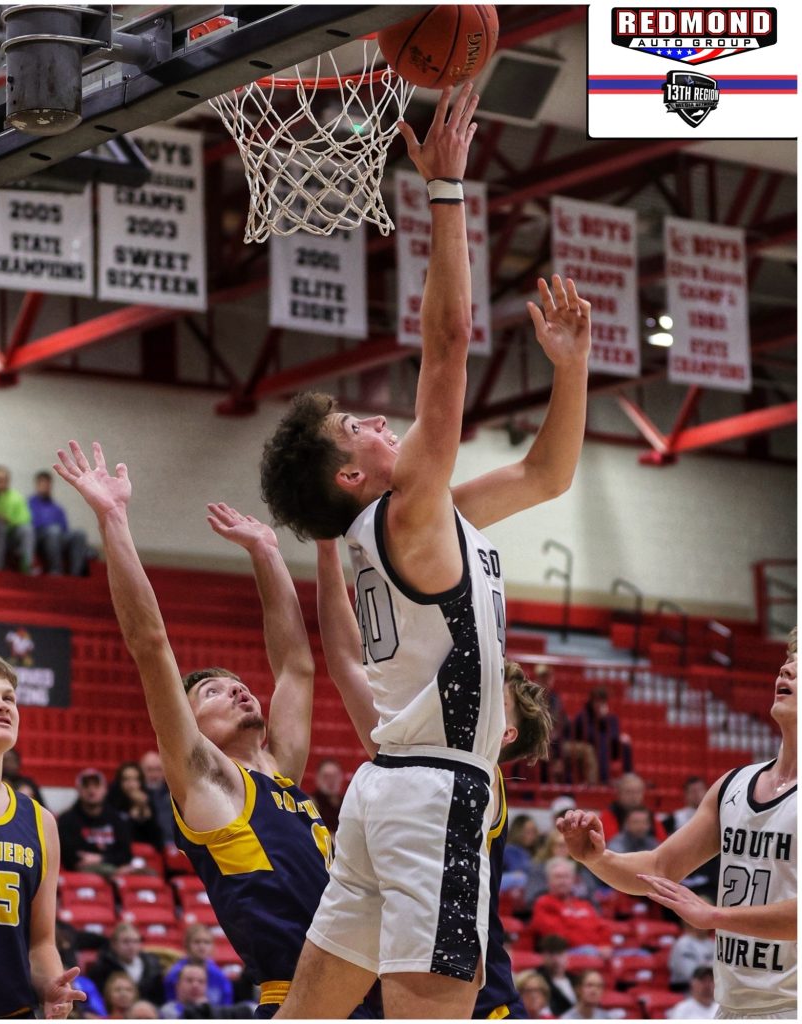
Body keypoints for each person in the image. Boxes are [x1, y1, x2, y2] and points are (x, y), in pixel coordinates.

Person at [261, 80, 591, 1019]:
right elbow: (446, 346)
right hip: (435, 792)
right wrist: (445, 190)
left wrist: (569, 372)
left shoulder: (415, 521)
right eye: (357, 428)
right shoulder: (405, 513)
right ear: (351, 477)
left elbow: (545, 476)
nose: (377, 421)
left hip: (384, 792)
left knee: (310, 1013)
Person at [54, 440, 334, 1020]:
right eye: (213, 692)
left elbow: (296, 667)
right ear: (193, 727)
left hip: (364, 982)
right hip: (300, 997)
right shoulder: (208, 781)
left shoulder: (280, 770)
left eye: (239, 685)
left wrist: (267, 551)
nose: (237, 690)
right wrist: (113, 518)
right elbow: (150, 643)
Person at [314, 537, 553, 1019]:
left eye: (495, 692)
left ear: (505, 733)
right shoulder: (419, 755)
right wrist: (325, 549)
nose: (478, 689)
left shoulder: (477, 775)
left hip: (484, 1002)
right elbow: (346, 663)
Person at [558, 629, 797, 1019]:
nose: (787, 669)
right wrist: (597, 859)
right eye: (787, 660)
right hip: (733, 1006)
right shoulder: (734, 785)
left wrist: (715, 916)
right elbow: (659, 868)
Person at [0, 653, 86, 1019]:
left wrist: (52, 987)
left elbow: (40, 943)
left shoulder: (41, 822)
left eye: (9, 698)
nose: (2, 705)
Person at [57, 767, 134, 876]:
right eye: (86, 786)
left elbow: (126, 854)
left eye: (96, 785)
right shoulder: (67, 820)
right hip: (83, 875)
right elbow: (71, 858)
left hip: (115, 868)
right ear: (78, 790)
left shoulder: (117, 819)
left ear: (105, 789)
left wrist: (102, 858)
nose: (91, 790)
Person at [528, 858, 612, 956]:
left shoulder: (584, 904)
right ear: (548, 881)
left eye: (566, 877)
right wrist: (594, 946)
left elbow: (602, 928)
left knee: (627, 954)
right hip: (564, 954)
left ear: (573, 880)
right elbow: (556, 936)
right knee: (589, 951)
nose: (563, 881)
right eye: (558, 877)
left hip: (594, 951)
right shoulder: (543, 903)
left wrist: (605, 944)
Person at [534, 664, 598, 785]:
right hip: (539, 742)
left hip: (558, 742)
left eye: (549, 677)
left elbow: (561, 726)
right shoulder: (531, 697)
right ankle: (551, 786)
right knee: (544, 749)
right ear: (537, 679)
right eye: (543, 678)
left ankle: (592, 788)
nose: (547, 681)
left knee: (588, 750)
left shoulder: (555, 699)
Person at [87, 921, 166, 1006]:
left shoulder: (153, 966)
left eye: (135, 941)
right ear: (114, 944)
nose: (131, 946)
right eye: (126, 942)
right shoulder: (101, 970)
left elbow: (159, 998)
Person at [29, 469, 88, 576]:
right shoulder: (29, 504)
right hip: (39, 539)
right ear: (37, 485)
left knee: (79, 533)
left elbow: (65, 528)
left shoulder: (57, 508)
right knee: (54, 531)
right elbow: (30, 526)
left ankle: (76, 574)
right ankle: (56, 570)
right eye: (42, 483)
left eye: (47, 483)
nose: (45, 486)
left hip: (57, 537)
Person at [0, 464, 35, 572]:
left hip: (10, 534)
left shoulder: (16, 496)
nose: (0, 481)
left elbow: (25, 518)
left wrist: (9, 520)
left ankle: (26, 566)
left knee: (27, 529)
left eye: (3, 479)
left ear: (8, 480)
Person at [570, 686, 633, 783]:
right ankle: (604, 780)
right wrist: (600, 722)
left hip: (606, 747)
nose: (600, 705)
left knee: (624, 745)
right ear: (592, 702)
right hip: (588, 747)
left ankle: (628, 777)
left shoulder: (611, 718)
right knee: (603, 741)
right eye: (597, 701)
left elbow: (614, 735)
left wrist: (604, 720)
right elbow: (588, 735)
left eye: (603, 702)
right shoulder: (583, 716)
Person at [164, 924, 234, 1006]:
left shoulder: (220, 976)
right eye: (197, 942)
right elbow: (170, 1003)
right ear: (187, 945)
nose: (202, 946)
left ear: (213, 946)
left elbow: (226, 1005)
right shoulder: (174, 974)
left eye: (206, 942)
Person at [160, 960, 251, 1019]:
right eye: (189, 980)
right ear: (177, 985)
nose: (195, 985)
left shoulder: (219, 1010)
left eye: (201, 981)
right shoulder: (168, 1011)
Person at [108, 760, 164, 850]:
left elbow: (158, 842)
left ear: (141, 782)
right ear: (119, 782)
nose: (131, 784)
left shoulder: (148, 801)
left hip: (146, 853)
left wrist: (144, 810)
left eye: (135, 779)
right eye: (126, 779)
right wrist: (131, 819)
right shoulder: (111, 802)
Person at [598, 772, 667, 843]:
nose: (633, 796)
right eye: (628, 792)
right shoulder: (609, 815)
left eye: (637, 792)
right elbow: (610, 843)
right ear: (619, 793)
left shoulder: (650, 815)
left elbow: (663, 842)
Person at [535, 933, 578, 1017]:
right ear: (543, 956)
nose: (556, 959)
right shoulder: (537, 980)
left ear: (567, 955)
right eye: (551, 954)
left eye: (560, 953)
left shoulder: (575, 979)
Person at [140, 749, 176, 845]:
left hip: (172, 843)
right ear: (141, 771)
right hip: (146, 845)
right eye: (149, 770)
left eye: (158, 769)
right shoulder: (135, 793)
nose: (154, 775)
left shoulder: (174, 792)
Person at [668, 919, 715, 989]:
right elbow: (690, 972)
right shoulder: (682, 943)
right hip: (684, 987)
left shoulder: (712, 944)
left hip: (710, 984)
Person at [310, 757, 345, 835]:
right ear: (318, 778)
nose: (331, 780)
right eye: (326, 776)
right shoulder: (311, 804)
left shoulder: (347, 803)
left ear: (341, 777)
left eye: (335, 776)